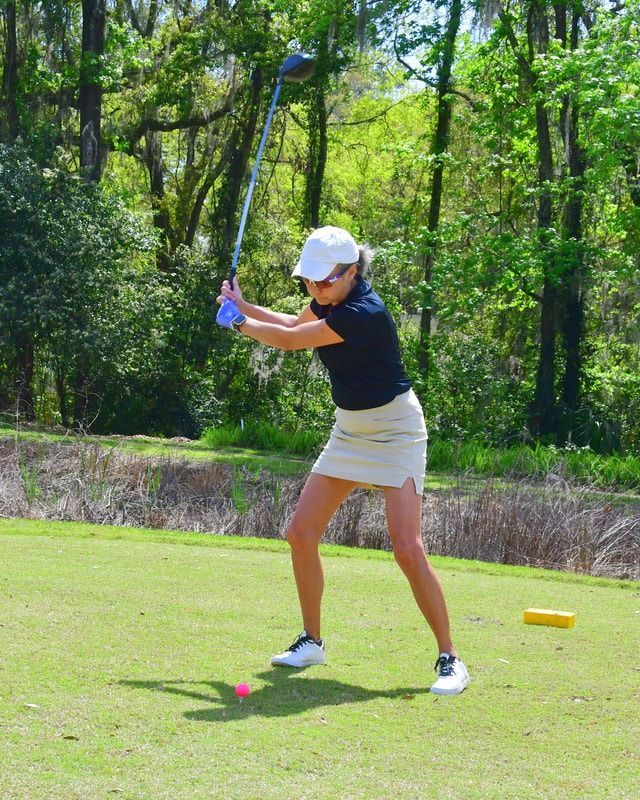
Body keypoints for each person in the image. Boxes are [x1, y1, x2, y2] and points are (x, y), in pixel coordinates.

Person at [216, 226, 470, 695]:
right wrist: (244, 304)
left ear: (351, 272)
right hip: (351, 429)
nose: (315, 290)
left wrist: (237, 323)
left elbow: (293, 343)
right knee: (300, 533)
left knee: (406, 548)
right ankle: (312, 641)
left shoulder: (363, 312)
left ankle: (450, 658)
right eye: (309, 283)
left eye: (324, 282)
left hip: (396, 431)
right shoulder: (330, 299)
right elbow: (293, 325)